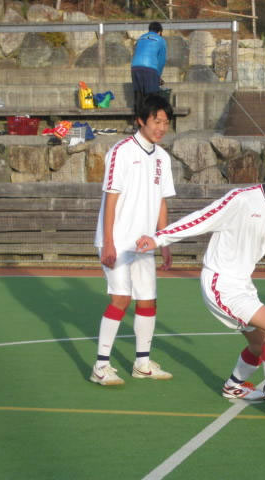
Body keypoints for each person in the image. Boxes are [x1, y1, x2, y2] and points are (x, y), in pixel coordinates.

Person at [136, 140, 265, 402]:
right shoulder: (242, 200)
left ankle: (233, 386)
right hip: (219, 282)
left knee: (260, 343)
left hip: (242, 285)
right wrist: (158, 238)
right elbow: (201, 218)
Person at [90, 93, 175, 386]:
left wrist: (163, 241)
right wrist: (108, 242)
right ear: (140, 120)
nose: (161, 127)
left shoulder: (163, 158)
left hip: (145, 244)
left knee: (148, 300)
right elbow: (111, 199)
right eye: (156, 121)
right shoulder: (121, 151)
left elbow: (161, 201)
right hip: (118, 241)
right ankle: (101, 366)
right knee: (121, 298)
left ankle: (142, 363)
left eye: (165, 122)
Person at [131, 22, 167, 110]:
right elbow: (162, 60)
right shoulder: (161, 40)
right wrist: (158, 76)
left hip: (135, 67)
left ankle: (138, 116)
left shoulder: (141, 38)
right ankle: (151, 116)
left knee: (139, 95)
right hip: (150, 68)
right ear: (159, 32)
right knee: (152, 97)